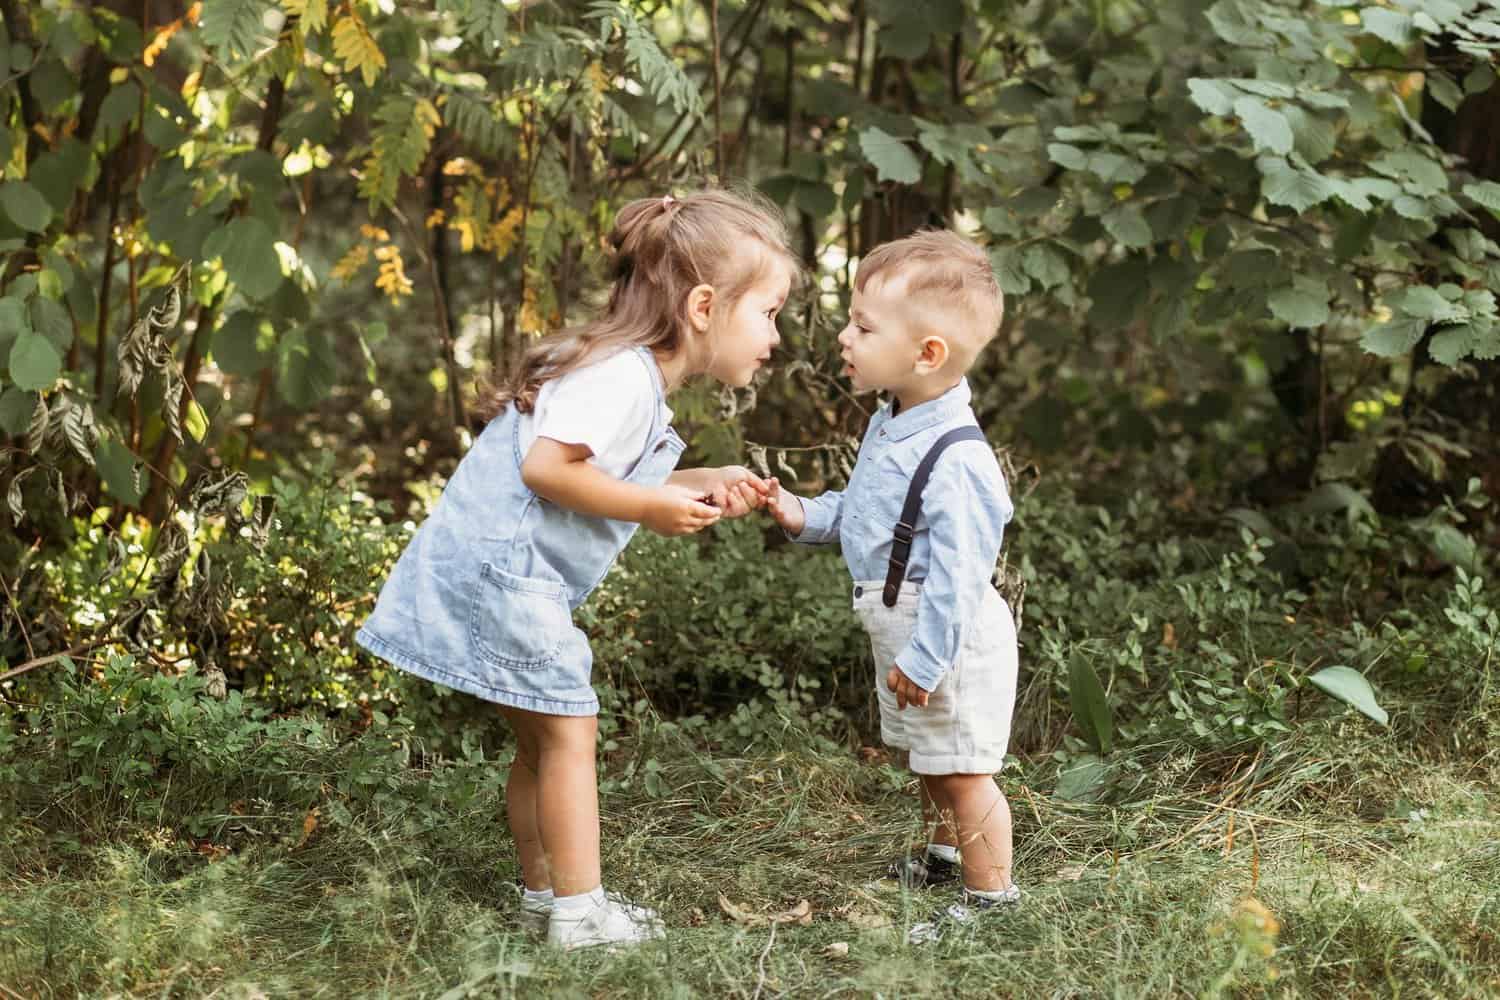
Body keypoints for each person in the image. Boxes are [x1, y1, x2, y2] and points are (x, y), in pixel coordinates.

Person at [357, 189, 799, 949]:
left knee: (542, 741)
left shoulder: (627, 374)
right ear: (703, 306)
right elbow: (547, 470)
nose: (777, 335)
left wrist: (694, 484)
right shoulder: (623, 378)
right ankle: (580, 912)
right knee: (571, 734)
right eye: (769, 313)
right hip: (509, 577)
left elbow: (594, 478)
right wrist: (650, 509)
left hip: (500, 571)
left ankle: (544, 893)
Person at [765, 229, 1020, 943]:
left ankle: (991, 902)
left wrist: (927, 657)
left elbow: (960, 576)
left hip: (948, 635)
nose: (844, 336)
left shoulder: (958, 455)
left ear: (927, 353)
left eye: (863, 326)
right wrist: (799, 513)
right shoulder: (893, 420)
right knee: (928, 756)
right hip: (902, 623)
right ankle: (945, 858)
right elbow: (864, 512)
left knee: (965, 770)